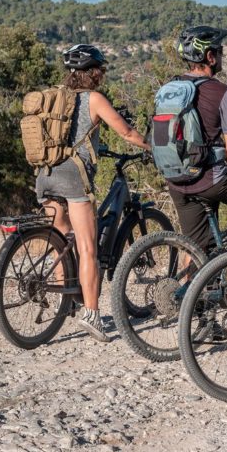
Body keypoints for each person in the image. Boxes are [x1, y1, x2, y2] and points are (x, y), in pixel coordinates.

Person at [36, 44, 150, 342]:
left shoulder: (56, 96)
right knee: (88, 248)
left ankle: (65, 300)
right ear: (93, 72)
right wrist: (154, 147)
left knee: (60, 239)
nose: (102, 74)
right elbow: (126, 132)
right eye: (101, 69)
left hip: (45, 174)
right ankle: (92, 315)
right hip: (74, 179)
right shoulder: (94, 99)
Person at [166, 26, 227, 252]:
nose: (222, 55)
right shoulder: (222, 92)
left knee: (196, 248)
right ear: (209, 56)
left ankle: (187, 285)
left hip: (176, 180)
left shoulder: (170, 87)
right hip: (211, 179)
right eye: (219, 51)